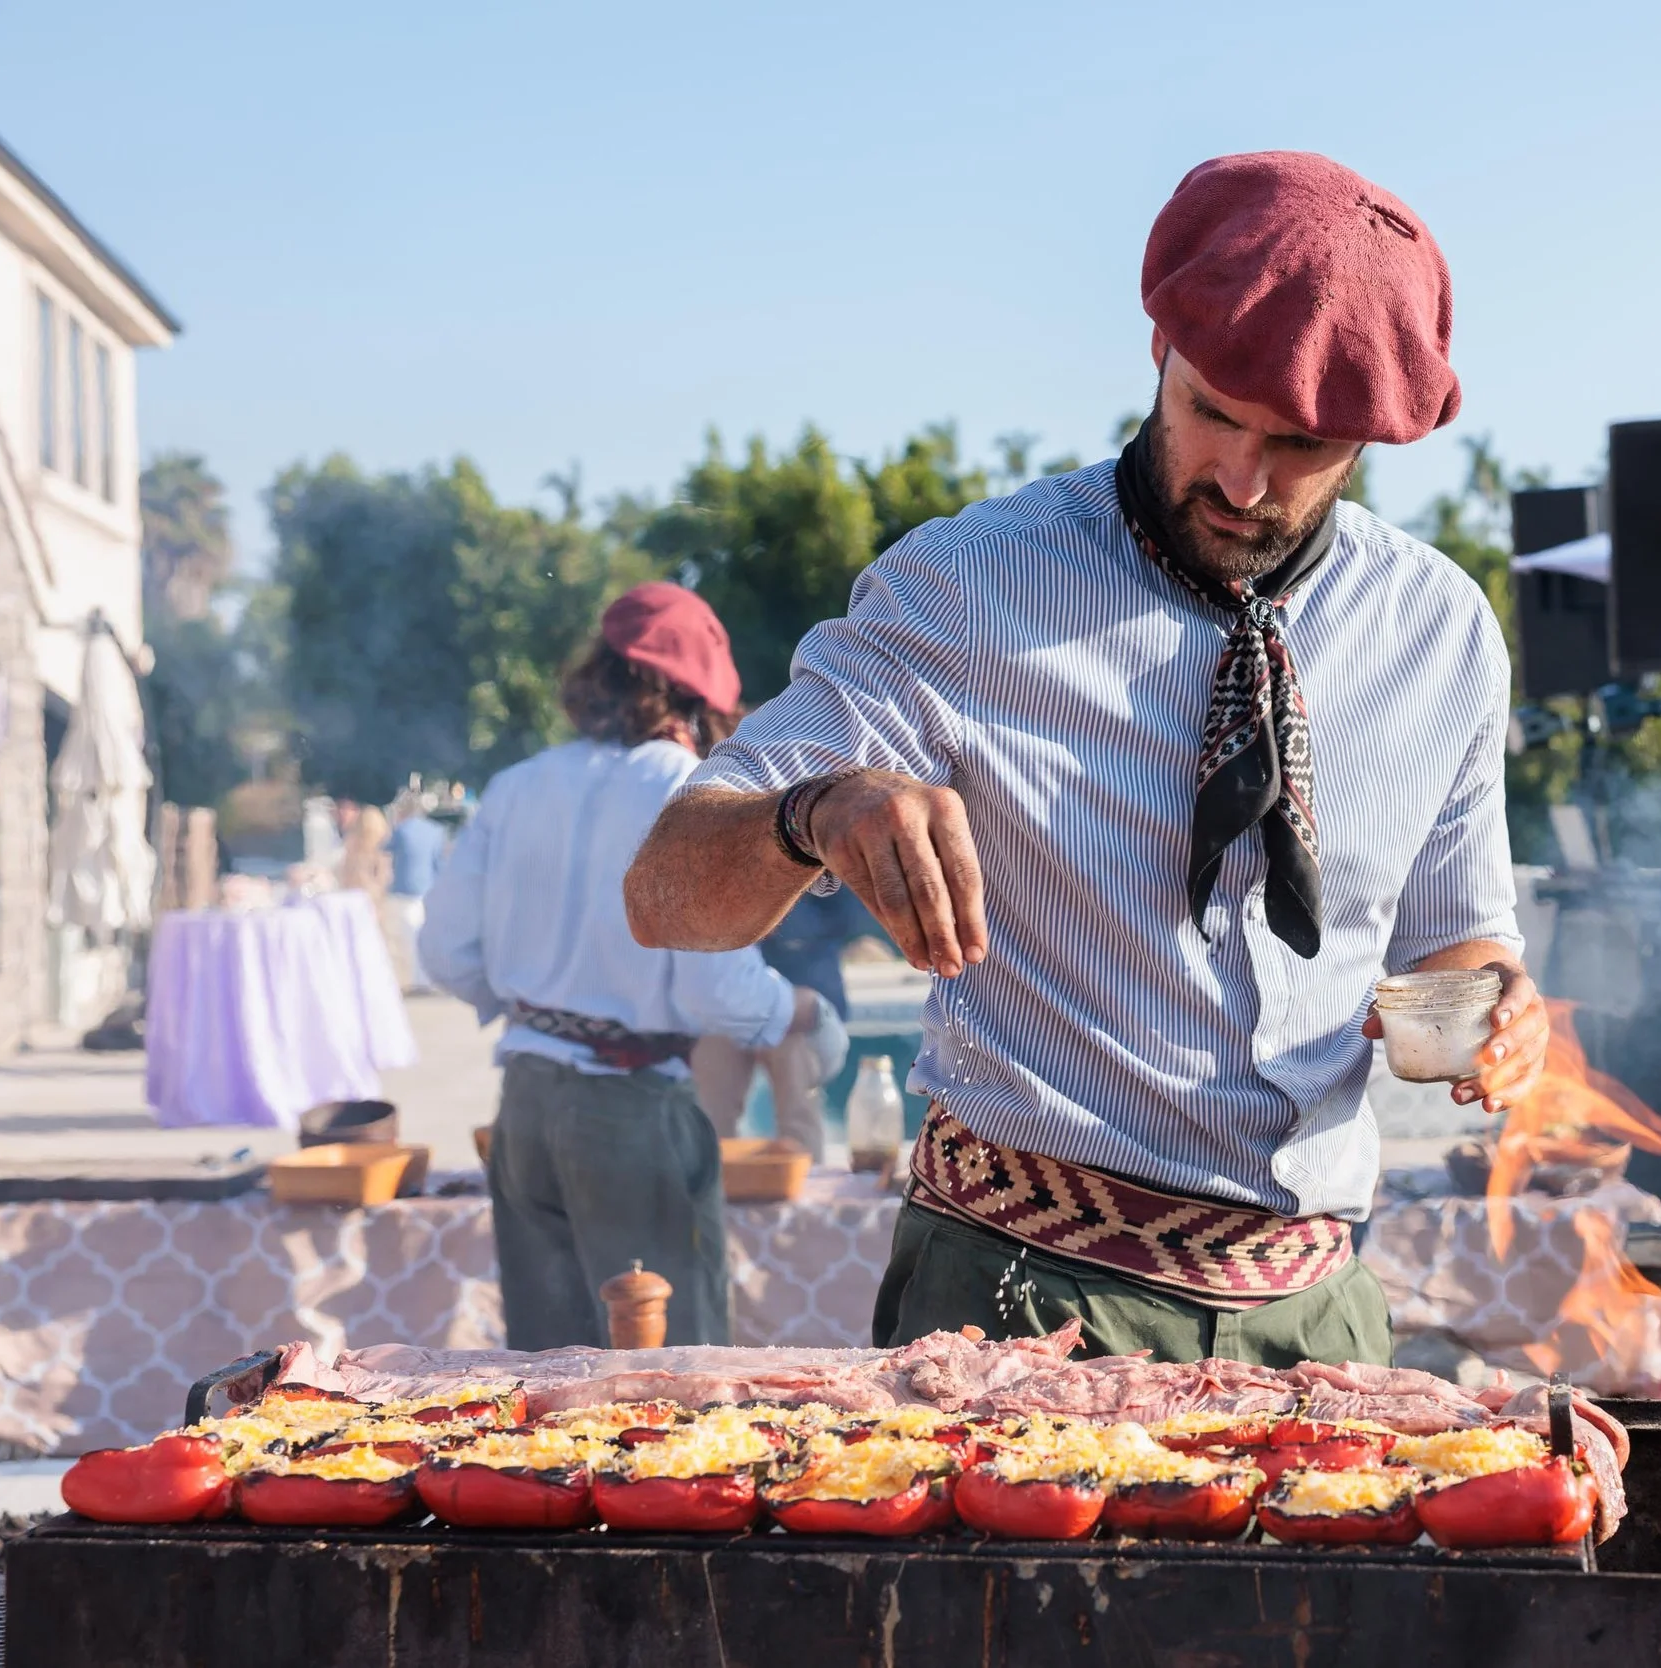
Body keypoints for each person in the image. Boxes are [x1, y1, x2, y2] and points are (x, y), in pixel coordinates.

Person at [626, 152, 1548, 1369]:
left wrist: (1498, 1010)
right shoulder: (970, 586)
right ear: (1157, 350)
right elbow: (664, 898)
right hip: (1023, 1298)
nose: (1240, 479)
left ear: (1378, 437)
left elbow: (1459, 942)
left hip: (1319, 1319)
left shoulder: (1436, 631)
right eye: (1213, 411)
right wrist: (816, 809)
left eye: (1301, 446)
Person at [420, 583, 837, 1349]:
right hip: (632, 1112)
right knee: (672, 1380)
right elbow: (717, 987)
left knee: (546, 1380)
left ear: (599, 677)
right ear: (699, 695)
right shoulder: (690, 788)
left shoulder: (516, 786)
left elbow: (444, 953)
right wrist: (798, 1013)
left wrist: (540, 1010)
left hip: (526, 1108)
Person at [690, 888, 868, 1157]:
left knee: (797, 1112)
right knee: (711, 1110)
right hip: (731, 1005)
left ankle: (806, 1182)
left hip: (799, 1006)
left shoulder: (821, 852)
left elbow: (851, 913)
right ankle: (714, 1185)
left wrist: (779, 919)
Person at [385, 800, 448, 993]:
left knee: (407, 938)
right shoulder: (437, 831)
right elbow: (438, 862)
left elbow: (385, 851)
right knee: (422, 934)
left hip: (404, 889)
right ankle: (426, 978)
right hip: (428, 889)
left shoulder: (401, 830)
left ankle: (416, 979)